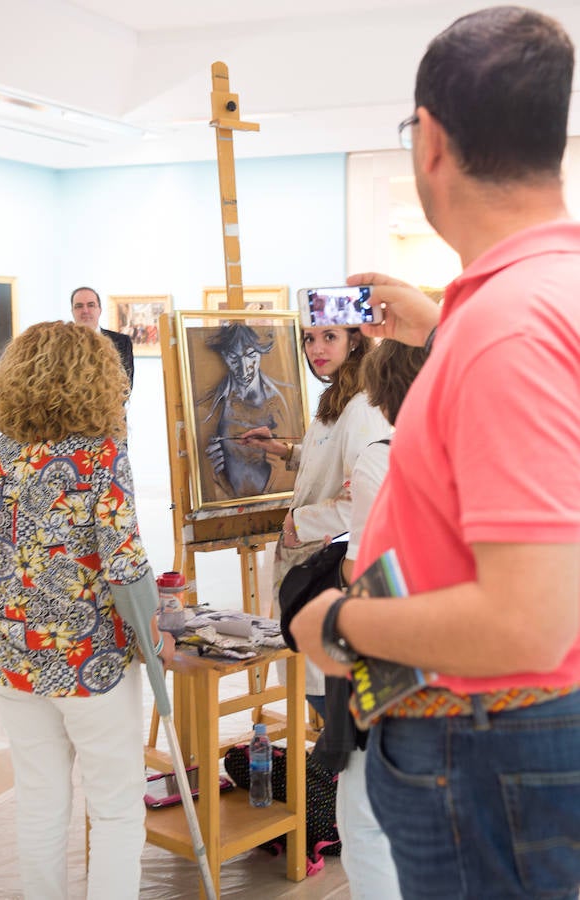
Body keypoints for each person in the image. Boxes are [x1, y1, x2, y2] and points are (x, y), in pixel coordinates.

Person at [290, 7, 580, 899]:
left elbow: (528, 618)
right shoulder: (541, 294)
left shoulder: (506, 328)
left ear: (431, 144)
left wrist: (335, 623)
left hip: (485, 744)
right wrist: (444, 321)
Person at [0, 321, 174, 899]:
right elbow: (127, 567)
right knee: (115, 810)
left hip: (14, 657)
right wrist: (155, 636)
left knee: (41, 802)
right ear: (95, 381)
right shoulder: (100, 457)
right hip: (92, 663)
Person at [320, 339, 426, 900]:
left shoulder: (382, 457)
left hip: (394, 643)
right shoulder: (480, 445)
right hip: (475, 645)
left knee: (363, 811)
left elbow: (362, 570)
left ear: (382, 393)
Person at [241, 325, 391, 714]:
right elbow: (327, 460)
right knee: (314, 681)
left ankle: (335, 769)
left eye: (329, 337)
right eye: (309, 339)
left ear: (354, 339)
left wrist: (299, 524)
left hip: (328, 564)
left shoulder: (362, 406)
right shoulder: (338, 396)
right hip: (308, 562)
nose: (316, 348)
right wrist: (283, 450)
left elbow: (361, 496)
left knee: (327, 692)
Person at [203, 322, 294, 498]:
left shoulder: (285, 399)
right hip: (226, 502)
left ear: (261, 352)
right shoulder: (208, 407)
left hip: (278, 502)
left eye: (251, 355)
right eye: (233, 357)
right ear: (223, 355)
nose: (244, 368)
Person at [71, 286, 134, 390]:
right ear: (72, 311)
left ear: (99, 310)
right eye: (79, 306)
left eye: (91, 305)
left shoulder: (122, 342)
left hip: (111, 405)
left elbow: (126, 384)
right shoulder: (63, 344)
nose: (85, 310)